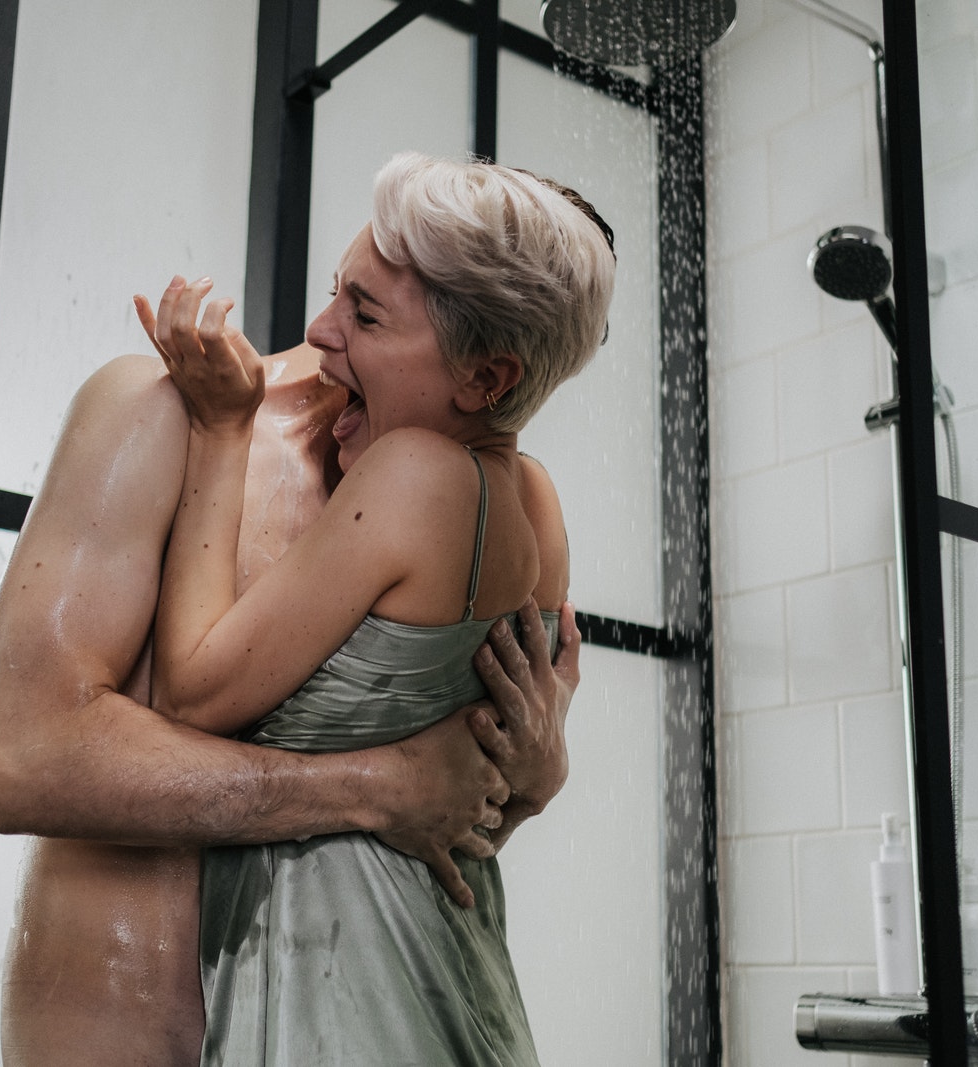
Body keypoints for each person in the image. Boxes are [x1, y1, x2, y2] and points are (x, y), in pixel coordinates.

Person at [0, 262, 583, 1060]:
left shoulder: (498, 504)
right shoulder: (159, 414)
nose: (323, 324)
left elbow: (460, 814)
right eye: (346, 293)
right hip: (119, 1027)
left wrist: (536, 773)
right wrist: (374, 786)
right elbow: (25, 756)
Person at [143, 151, 616, 1065]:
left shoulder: (413, 476)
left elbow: (192, 696)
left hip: (354, 997)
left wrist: (218, 430)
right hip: (454, 973)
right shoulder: (538, 505)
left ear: (486, 379)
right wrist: (543, 773)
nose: (320, 331)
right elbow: (501, 796)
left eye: (363, 314)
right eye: (337, 292)